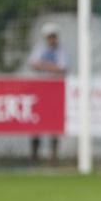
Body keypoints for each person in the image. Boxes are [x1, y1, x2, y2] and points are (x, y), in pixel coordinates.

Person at [29, 22, 68, 164]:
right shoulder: (40, 48)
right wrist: (52, 67)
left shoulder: (61, 50)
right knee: (36, 123)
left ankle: (53, 157)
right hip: (40, 90)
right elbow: (33, 64)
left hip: (54, 91)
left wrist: (44, 65)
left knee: (55, 124)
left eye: (53, 36)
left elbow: (62, 68)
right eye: (49, 36)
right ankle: (34, 156)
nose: (52, 39)